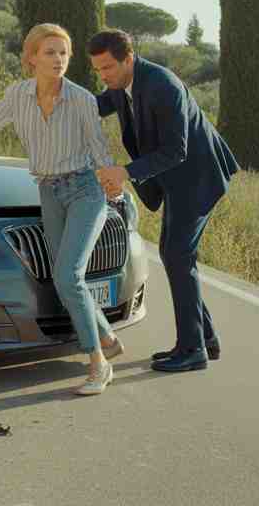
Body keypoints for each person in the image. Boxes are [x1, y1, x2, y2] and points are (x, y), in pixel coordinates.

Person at [0, 23, 124, 395]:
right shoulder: (18, 95)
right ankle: (107, 337)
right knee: (64, 277)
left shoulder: (83, 99)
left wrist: (113, 190)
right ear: (32, 58)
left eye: (64, 53)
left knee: (68, 274)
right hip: (49, 192)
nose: (59, 59)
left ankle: (97, 364)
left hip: (85, 191)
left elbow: (100, 150)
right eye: (50, 52)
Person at [87, 28, 239, 373]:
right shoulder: (118, 86)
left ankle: (192, 350)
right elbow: (93, 107)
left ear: (129, 59)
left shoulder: (162, 85)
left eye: (108, 68)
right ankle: (205, 340)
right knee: (175, 256)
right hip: (174, 178)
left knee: (177, 255)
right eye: (98, 70)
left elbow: (177, 150)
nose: (103, 76)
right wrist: (51, 101)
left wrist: (124, 172)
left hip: (197, 176)